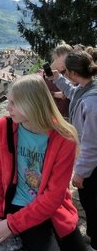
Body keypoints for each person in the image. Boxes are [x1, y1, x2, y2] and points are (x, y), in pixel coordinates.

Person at [0, 74, 86, 251]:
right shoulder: (4, 127)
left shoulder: (64, 139)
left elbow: (54, 195)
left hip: (53, 209)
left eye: (14, 103)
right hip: (17, 205)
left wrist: (10, 225)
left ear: (32, 104)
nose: (8, 108)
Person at [51, 51, 97, 251]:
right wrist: (57, 79)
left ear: (73, 73)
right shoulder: (88, 88)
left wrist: (81, 173)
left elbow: (92, 144)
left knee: (92, 203)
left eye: (65, 72)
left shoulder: (91, 103)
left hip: (93, 168)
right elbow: (73, 93)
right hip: (91, 164)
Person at [40, 43, 73, 119]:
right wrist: (54, 94)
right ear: (55, 56)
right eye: (66, 60)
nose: (67, 64)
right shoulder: (40, 76)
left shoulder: (70, 76)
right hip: (48, 119)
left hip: (66, 120)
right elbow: (35, 97)